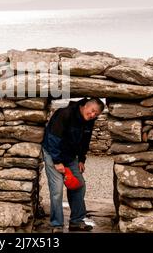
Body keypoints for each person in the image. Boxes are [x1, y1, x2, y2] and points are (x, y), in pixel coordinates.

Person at [41, 97, 105, 233]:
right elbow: (53, 139)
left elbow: (85, 141)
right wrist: (57, 162)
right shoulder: (64, 114)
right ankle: (57, 224)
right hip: (53, 154)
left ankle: (76, 221)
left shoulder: (90, 121)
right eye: (92, 110)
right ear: (85, 106)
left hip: (70, 156)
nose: (93, 115)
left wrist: (81, 159)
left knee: (79, 185)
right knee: (57, 190)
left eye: (96, 114)